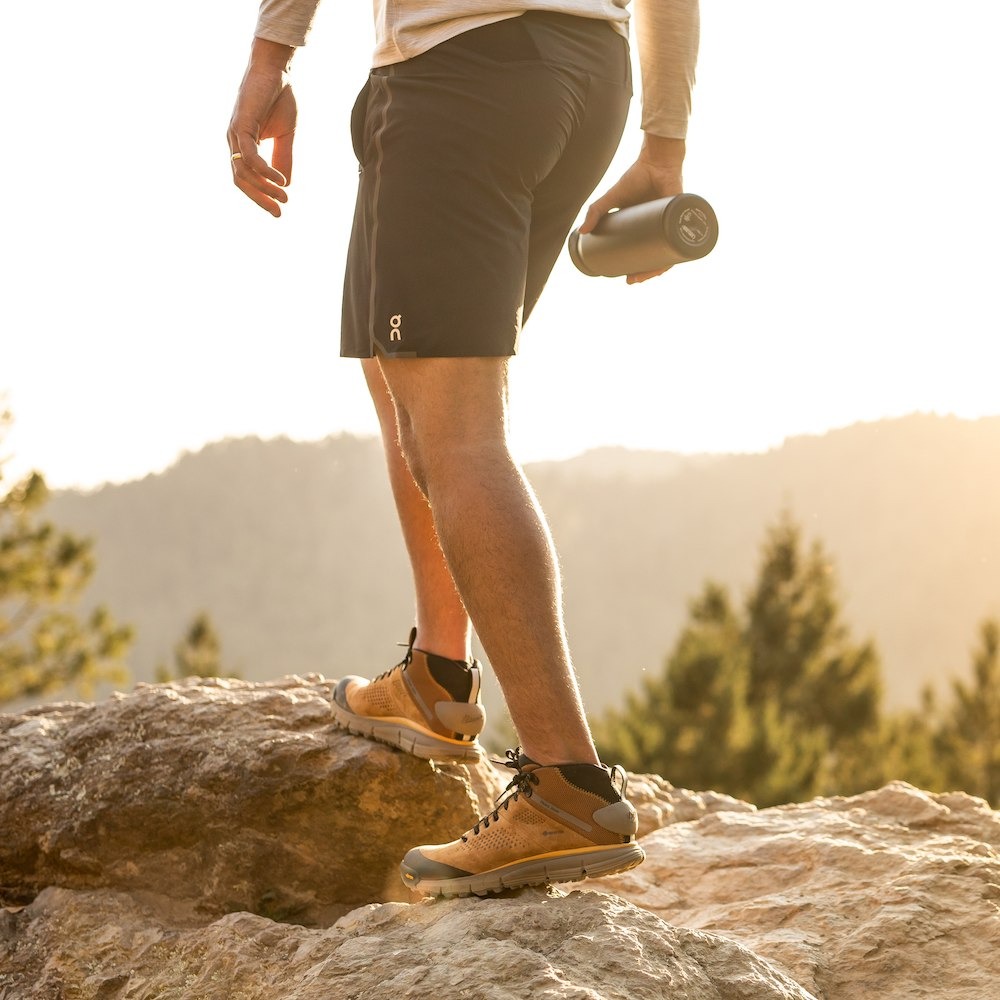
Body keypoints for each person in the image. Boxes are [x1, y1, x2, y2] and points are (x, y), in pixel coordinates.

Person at [228, 0, 699, 898]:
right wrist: (665, 141)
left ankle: (567, 787)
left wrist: (269, 57)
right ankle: (439, 679)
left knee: (455, 432)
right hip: (583, 66)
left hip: (459, 68)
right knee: (396, 359)